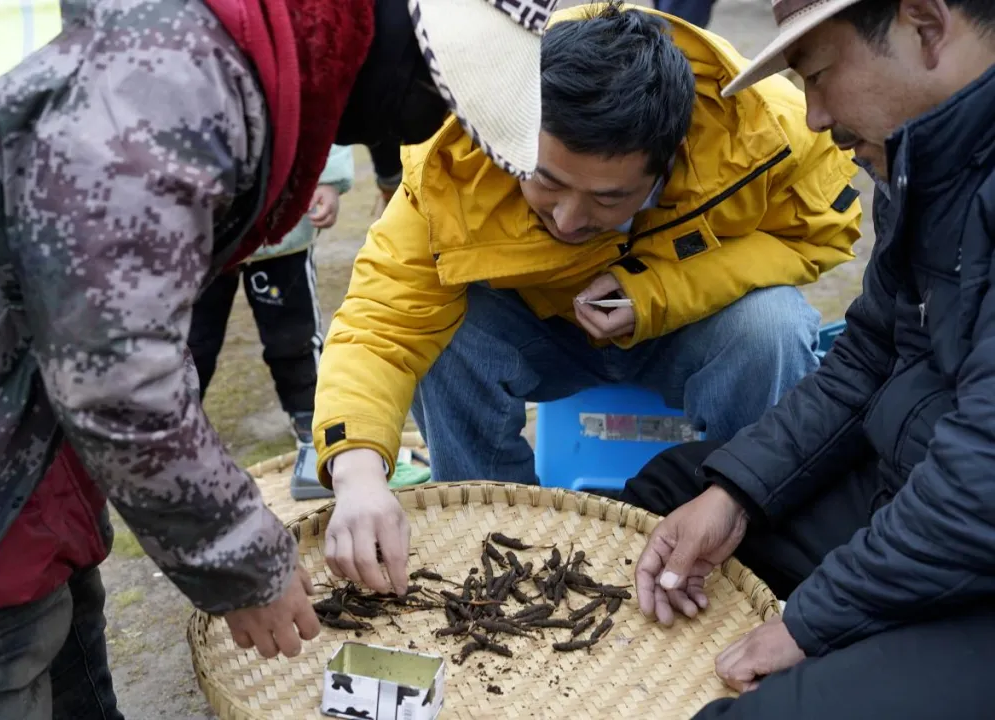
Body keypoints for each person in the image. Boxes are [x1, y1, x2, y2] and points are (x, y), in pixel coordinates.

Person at [0, 0, 563, 715]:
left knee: (55, 627)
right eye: (445, 104)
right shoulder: (175, 81)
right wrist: (246, 565)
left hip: (12, 420)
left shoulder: (227, 38)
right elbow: (119, 378)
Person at [312, 2, 864, 597]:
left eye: (608, 198)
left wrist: (658, 292)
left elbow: (820, 235)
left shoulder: (765, 133)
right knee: (442, 334)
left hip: (686, 330)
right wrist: (359, 473)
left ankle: (747, 532)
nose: (570, 219)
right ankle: (491, 537)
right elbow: (380, 324)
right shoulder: (460, 162)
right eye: (546, 181)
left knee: (773, 326)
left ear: (669, 161)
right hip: (541, 335)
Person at [622, 0, 995, 717]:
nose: (816, 117)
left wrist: (811, 621)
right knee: (672, 496)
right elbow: (867, 359)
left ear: (924, 24)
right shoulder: (921, 161)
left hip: (971, 543)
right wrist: (739, 494)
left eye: (819, 75)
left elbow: (980, 478)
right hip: (908, 488)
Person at [188, 145, 355, 447]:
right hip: (205, 228)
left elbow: (326, 106)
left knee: (293, 334)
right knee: (193, 340)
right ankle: (175, 419)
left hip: (281, 222)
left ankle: (308, 410)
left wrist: (329, 178)